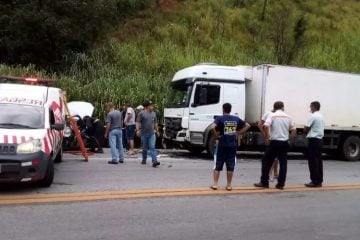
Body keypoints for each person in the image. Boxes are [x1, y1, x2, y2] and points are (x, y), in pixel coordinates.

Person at [254, 101, 296, 190]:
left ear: (274, 108)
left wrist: (267, 138)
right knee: (283, 163)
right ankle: (280, 184)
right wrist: (290, 141)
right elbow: (293, 130)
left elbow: (266, 126)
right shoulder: (289, 117)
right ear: (283, 107)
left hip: (274, 142)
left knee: (266, 161)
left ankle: (264, 182)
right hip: (284, 142)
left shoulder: (272, 116)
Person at [210, 103, 250, 191]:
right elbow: (248, 125)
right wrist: (239, 133)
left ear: (223, 109)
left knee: (218, 164)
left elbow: (212, 127)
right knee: (230, 165)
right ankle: (229, 185)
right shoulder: (236, 119)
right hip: (232, 145)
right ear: (230, 109)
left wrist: (216, 136)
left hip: (222, 144)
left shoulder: (220, 118)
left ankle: (215, 184)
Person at [304, 101, 325, 188]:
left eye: (311, 107)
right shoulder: (321, 116)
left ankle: (314, 181)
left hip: (313, 140)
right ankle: (319, 180)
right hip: (320, 140)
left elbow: (306, 128)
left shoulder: (313, 116)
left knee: (313, 161)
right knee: (318, 161)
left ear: (314, 107)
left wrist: (306, 131)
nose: (310, 109)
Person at [136, 100, 160, 168]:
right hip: (144, 134)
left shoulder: (154, 113)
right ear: (147, 107)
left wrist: (157, 131)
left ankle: (154, 161)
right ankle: (144, 159)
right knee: (144, 148)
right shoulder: (141, 113)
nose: (152, 107)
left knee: (152, 147)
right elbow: (137, 122)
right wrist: (138, 130)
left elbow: (155, 123)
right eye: (151, 106)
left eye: (152, 105)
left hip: (152, 134)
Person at [258, 110, 279, 181]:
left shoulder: (275, 115)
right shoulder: (269, 114)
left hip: (273, 137)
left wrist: (265, 135)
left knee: (275, 156)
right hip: (271, 138)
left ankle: (275, 173)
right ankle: (270, 174)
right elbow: (261, 125)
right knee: (273, 157)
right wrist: (266, 135)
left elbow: (260, 125)